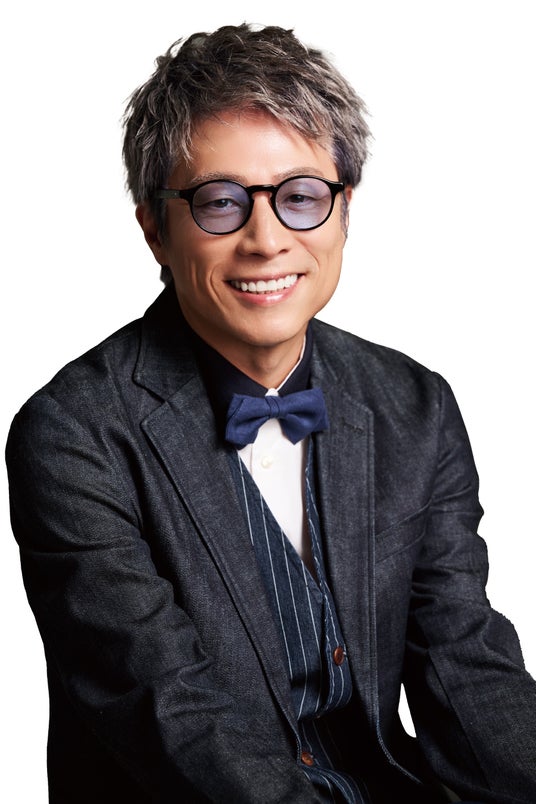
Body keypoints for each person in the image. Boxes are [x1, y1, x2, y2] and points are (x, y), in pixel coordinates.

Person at [5, 23, 536, 804]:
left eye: (301, 198)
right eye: (220, 202)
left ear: (344, 211)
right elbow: (172, 715)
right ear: (155, 228)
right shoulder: (71, 433)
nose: (266, 240)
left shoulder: (414, 404)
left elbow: (467, 669)